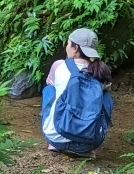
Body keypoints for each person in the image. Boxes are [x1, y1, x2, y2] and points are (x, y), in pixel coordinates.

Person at [41, 28, 113, 158]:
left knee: (49, 90)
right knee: (106, 97)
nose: (66, 47)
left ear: (75, 48)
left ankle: (54, 145)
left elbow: (49, 83)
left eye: (68, 44)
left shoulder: (58, 66)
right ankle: (86, 149)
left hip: (56, 136)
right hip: (89, 142)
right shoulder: (101, 72)